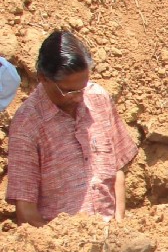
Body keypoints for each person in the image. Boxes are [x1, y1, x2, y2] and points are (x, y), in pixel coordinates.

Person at [5, 31, 137, 227]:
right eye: (68, 91)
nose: (77, 97)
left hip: (112, 238)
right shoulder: (27, 124)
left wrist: (118, 226)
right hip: (63, 249)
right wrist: (65, 245)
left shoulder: (99, 98)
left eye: (82, 87)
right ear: (43, 78)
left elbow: (117, 171)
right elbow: (26, 212)